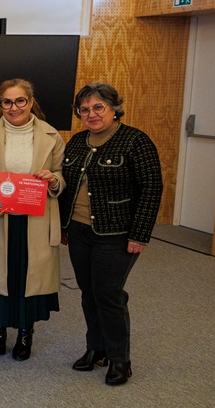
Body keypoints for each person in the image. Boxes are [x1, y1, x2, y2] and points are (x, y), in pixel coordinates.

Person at [61, 82, 162, 386]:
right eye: (84, 109)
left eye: (98, 107)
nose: (91, 114)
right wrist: (65, 226)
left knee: (109, 294)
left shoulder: (135, 141)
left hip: (116, 233)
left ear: (115, 108)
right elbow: (67, 185)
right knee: (88, 293)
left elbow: (151, 189)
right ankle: (96, 348)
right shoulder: (77, 142)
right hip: (78, 230)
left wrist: (140, 234)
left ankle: (120, 359)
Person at [0, 79, 65, 361]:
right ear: (0, 104)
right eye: (7, 102)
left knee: (29, 278)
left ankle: (26, 334)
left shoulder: (52, 136)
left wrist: (52, 180)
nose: (14, 108)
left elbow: (61, 175)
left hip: (35, 220)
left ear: (30, 102)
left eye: (20, 101)